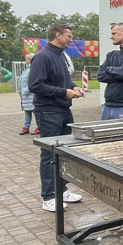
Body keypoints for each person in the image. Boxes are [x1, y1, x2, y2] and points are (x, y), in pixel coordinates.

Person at [29, 24, 84, 212]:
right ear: (58, 35)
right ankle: (48, 196)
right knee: (49, 153)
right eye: (69, 36)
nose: (71, 39)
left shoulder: (60, 55)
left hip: (63, 109)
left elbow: (63, 81)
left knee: (64, 151)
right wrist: (64, 92)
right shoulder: (42, 56)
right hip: (48, 112)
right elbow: (35, 85)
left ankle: (62, 190)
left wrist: (73, 87)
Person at [19, 53, 37, 135]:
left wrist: (25, 91)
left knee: (35, 112)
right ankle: (26, 127)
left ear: (30, 60)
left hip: (30, 95)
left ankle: (39, 127)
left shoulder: (33, 70)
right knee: (27, 112)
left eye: (26, 59)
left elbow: (32, 82)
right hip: (25, 96)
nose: (25, 60)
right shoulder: (26, 70)